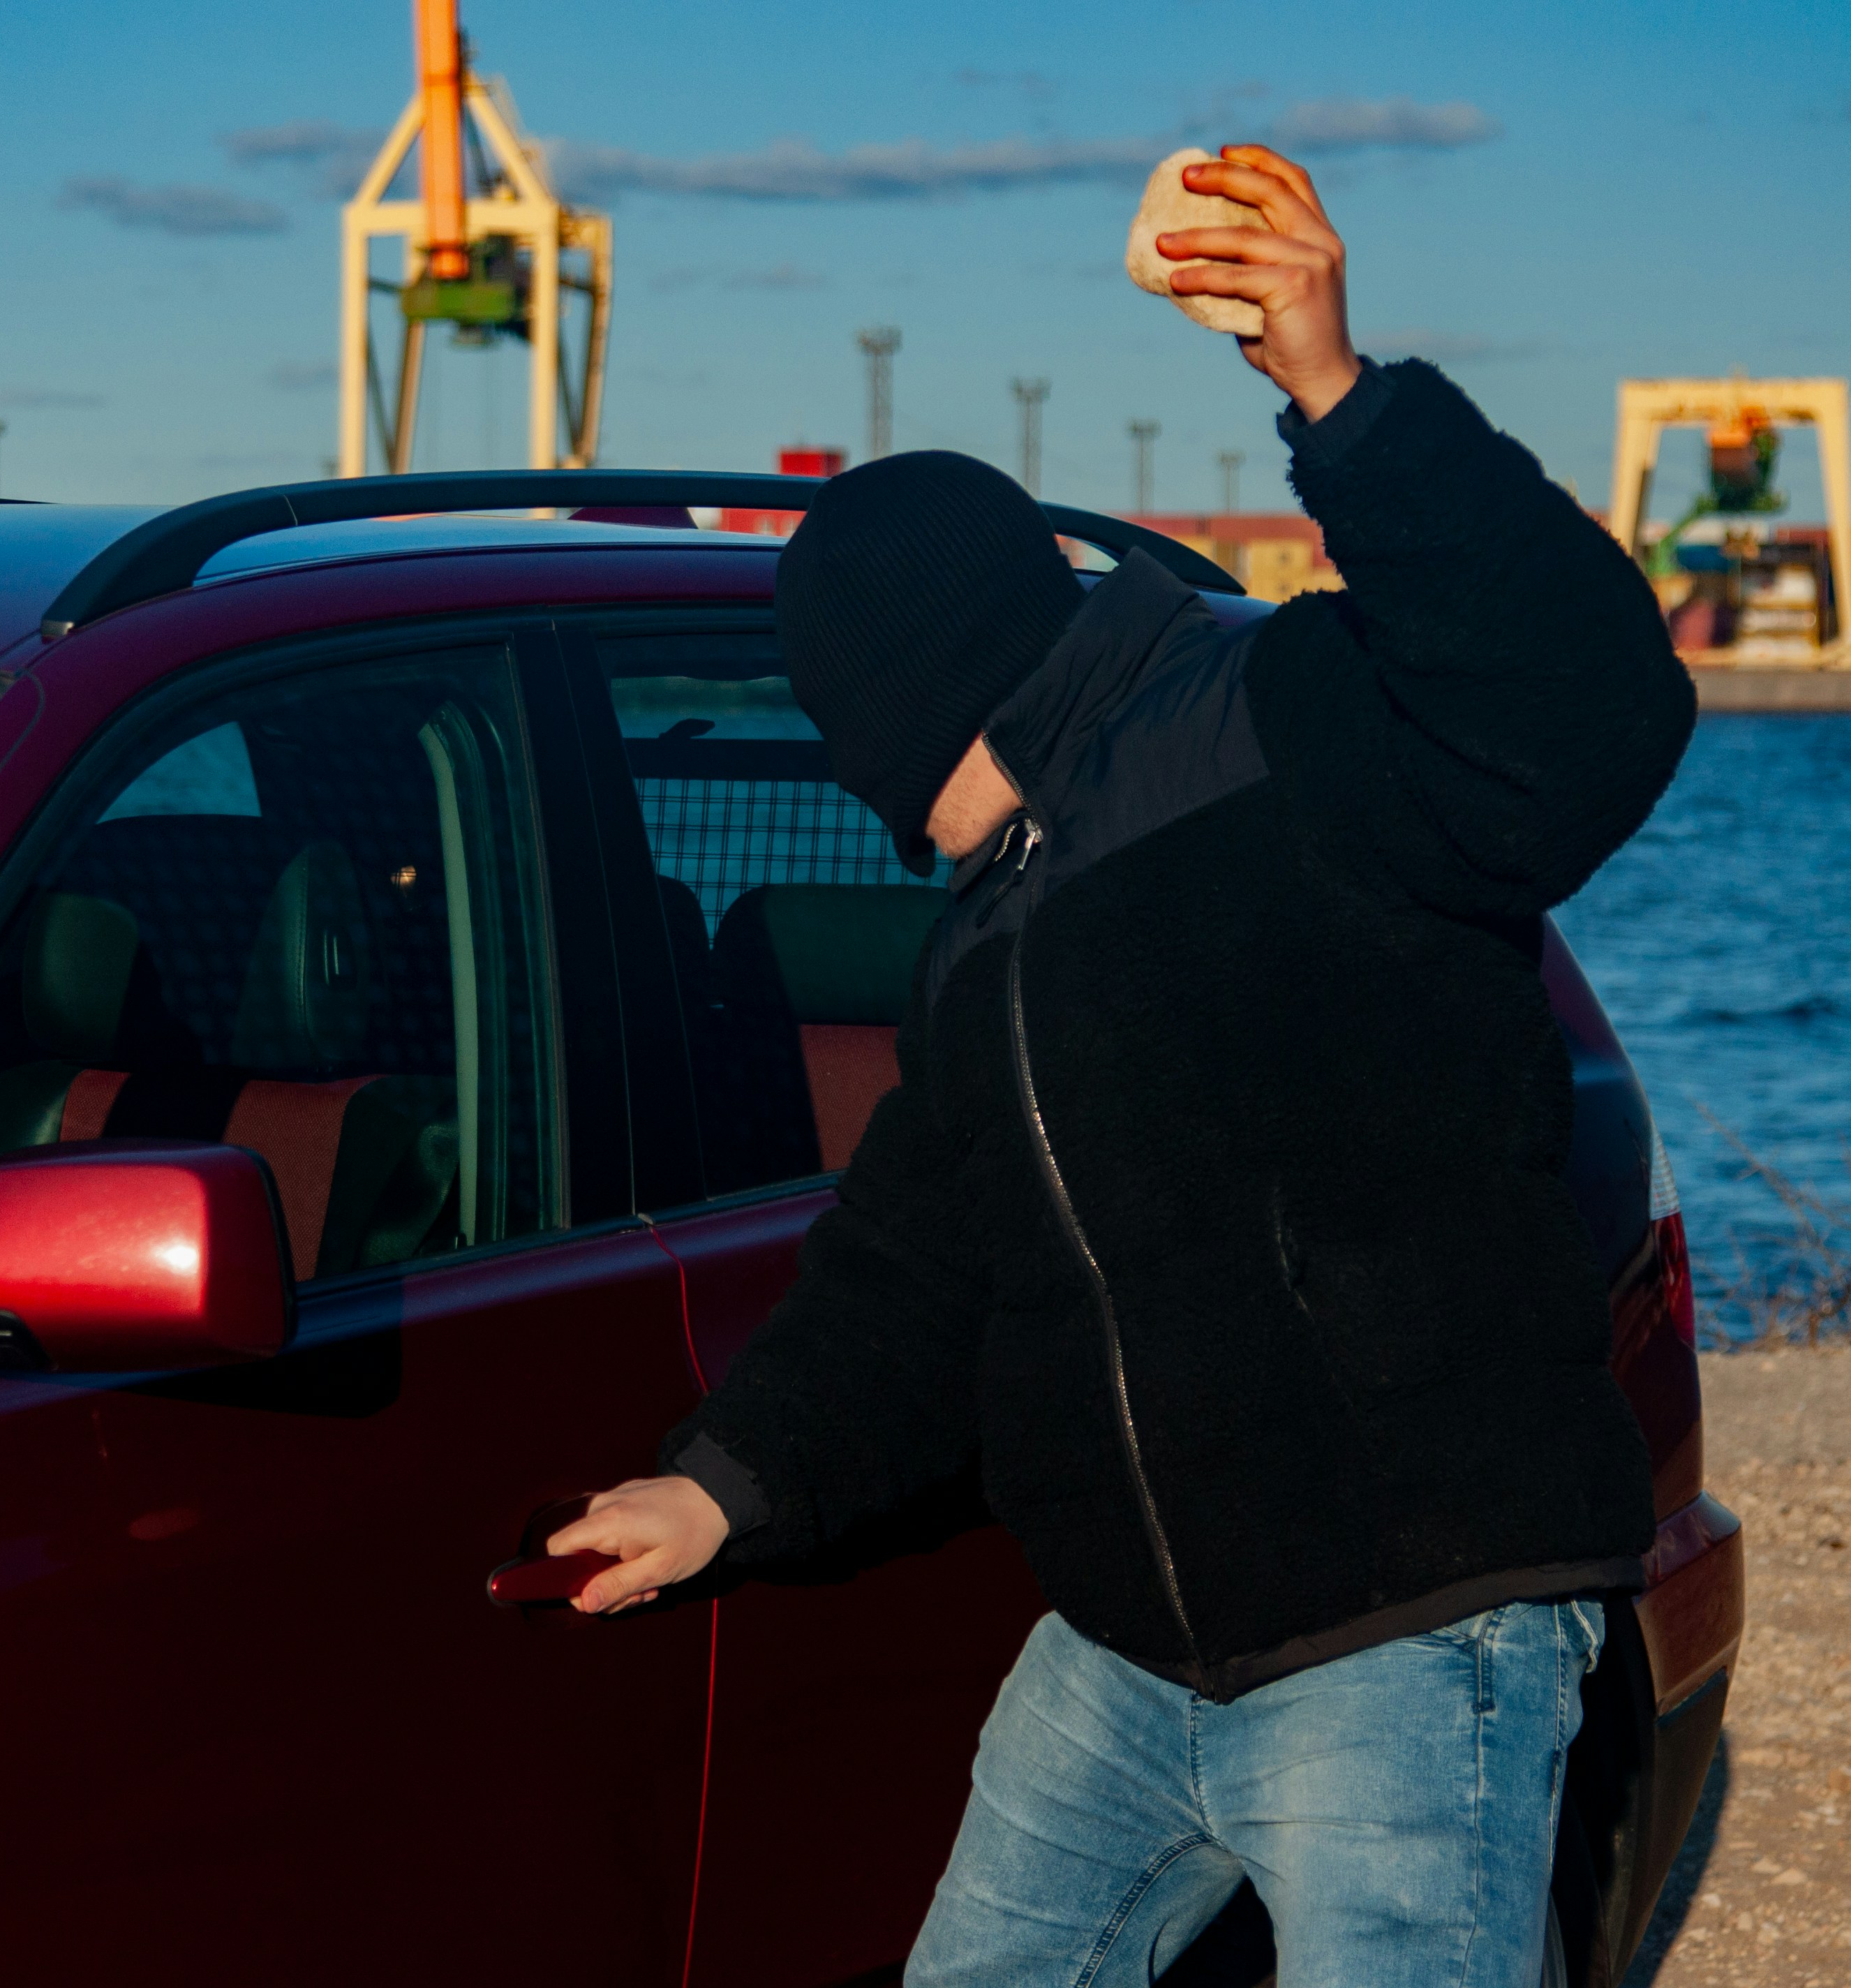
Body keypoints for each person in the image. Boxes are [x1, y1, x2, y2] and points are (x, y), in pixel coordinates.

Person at [547, 146, 1695, 1987]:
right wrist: (730, 1484)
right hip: (1131, 1658)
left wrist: (1339, 393)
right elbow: (917, 1261)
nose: (854, 775)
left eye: (844, 722)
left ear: (922, 687)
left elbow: (1588, 710)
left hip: (1407, 1634)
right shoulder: (986, 937)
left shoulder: (1282, 727)